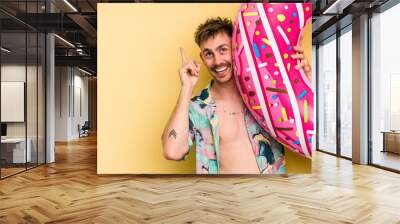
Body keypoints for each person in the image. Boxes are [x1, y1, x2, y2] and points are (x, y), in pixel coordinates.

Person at [161, 17, 311, 174]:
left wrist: (306, 77)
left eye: (223, 50)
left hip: (270, 193)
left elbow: (309, 127)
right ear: (202, 58)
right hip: (224, 196)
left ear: (235, 48)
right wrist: (187, 88)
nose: (217, 61)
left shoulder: (268, 94)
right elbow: (172, 151)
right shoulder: (198, 107)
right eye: (209, 54)